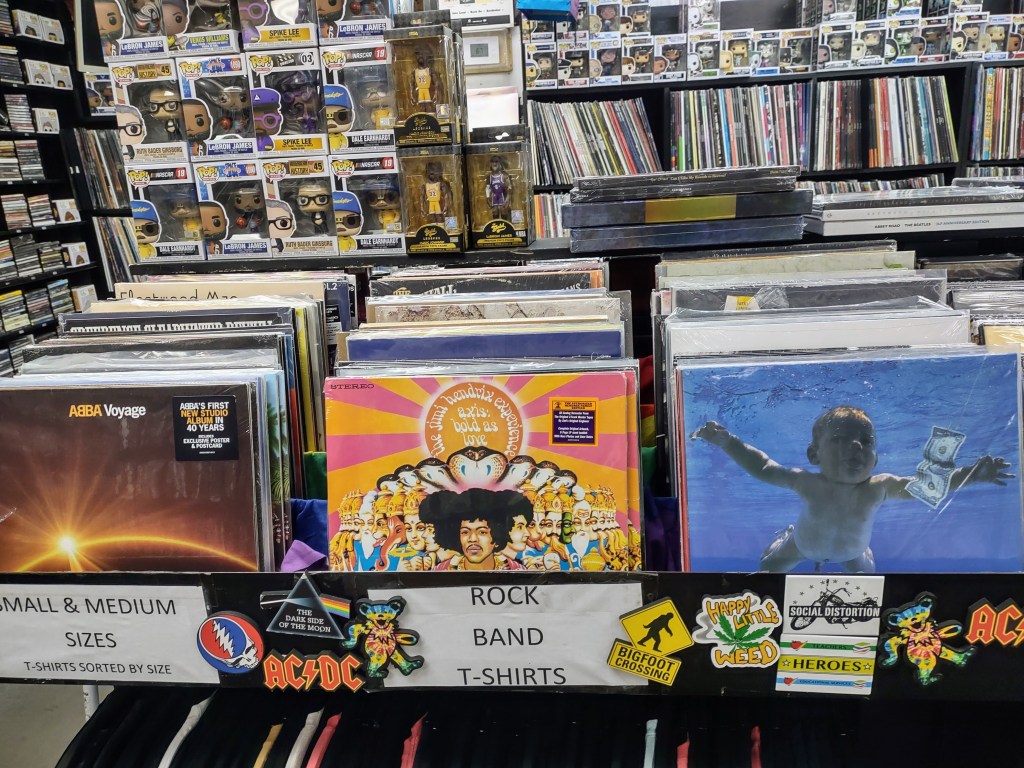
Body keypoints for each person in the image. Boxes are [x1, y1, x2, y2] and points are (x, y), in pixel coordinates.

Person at [692, 405, 1013, 574]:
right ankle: (785, 535)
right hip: (801, 546)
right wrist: (728, 442)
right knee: (766, 568)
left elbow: (927, 486)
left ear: (876, 458)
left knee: (868, 581)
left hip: (852, 554)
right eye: (840, 439)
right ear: (814, 455)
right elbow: (763, 466)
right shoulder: (807, 482)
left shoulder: (880, 486)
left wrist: (971, 475)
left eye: (866, 441)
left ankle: (863, 553)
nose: (856, 446)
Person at [419, 488, 526, 571]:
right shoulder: (441, 571)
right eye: (465, 532)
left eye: (482, 532)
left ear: (497, 537)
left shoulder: (517, 570)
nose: (473, 539)